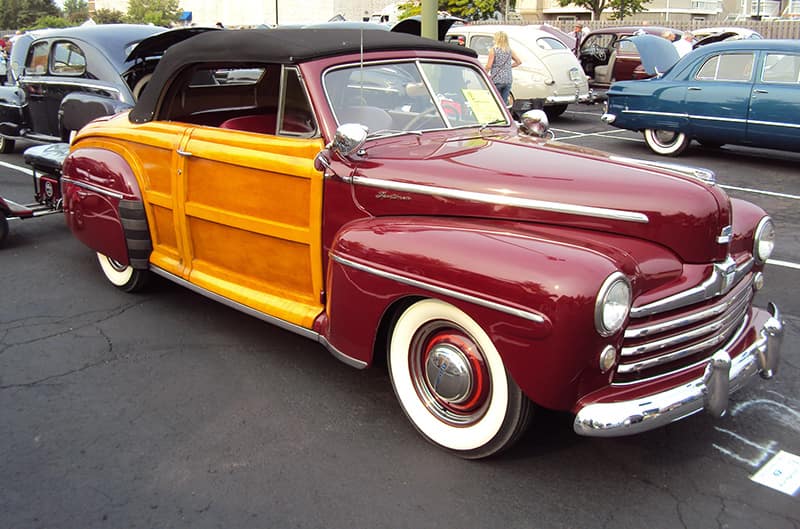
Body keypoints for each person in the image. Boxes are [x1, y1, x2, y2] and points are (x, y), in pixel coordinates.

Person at [485, 31, 521, 106]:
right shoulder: (510, 50)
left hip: (497, 79)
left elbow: (489, 66)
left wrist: (484, 73)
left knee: (495, 101)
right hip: (508, 79)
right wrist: (508, 66)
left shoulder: (494, 50)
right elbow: (518, 62)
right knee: (504, 102)